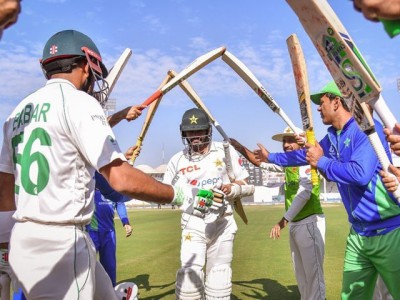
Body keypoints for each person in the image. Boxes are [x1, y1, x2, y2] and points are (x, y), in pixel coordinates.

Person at [0, 29, 220, 299]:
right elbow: (122, 179)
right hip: (61, 243)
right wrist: (181, 194)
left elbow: (4, 187)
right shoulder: (81, 102)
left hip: (23, 241)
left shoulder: (17, 112)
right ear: (84, 65)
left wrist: (3, 245)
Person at [255, 81, 400, 299]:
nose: (318, 108)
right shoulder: (332, 136)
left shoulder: (369, 129)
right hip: (358, 235)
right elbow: (303, 156)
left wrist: (321, 162)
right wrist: (270, 157)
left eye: (321, 102)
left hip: (389, 232)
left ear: (336, 102)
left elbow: (359, 175)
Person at [162, 108, 254, 299]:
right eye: (190, 131)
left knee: (219, 281)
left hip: (223, 223)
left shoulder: (224, 151)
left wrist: (232, 189)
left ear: (208, 130)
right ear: (184, 133)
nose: (195, 136)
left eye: (199, 130)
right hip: (192, 224)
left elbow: (246, 184)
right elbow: (166, 193)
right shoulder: (176, 161)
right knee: (189, 285)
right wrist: (191, 197)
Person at [230, 127, 326, 300]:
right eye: (284, 141)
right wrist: (238, 146)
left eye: (290, 141)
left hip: (310, 222)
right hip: (297, 224)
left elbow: (303, 195)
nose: (286, 145)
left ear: (300, 142)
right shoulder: (288, 165)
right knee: (301, 275)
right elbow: (259, 162)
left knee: (314, 277)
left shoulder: (308, 160)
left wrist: (282, 222)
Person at [88, 171, 133, 287]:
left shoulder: (112, 186)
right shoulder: (90, 184)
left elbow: (120, 203)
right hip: (91, 232)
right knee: (87, 268)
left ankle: (111, 292)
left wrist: (125, 222)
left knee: (110, 268)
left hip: (109, 233)